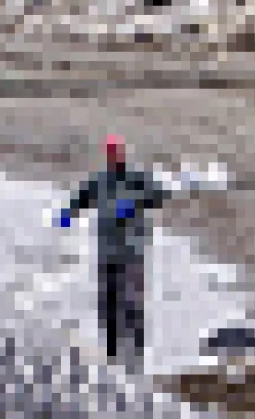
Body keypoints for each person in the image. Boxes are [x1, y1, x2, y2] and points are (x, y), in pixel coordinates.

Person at [57, 136, 171, 367]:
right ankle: (111, 353)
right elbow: (81, 198)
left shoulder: (138, 177)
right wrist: (68, 213)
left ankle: (137, 353)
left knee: (132, 302)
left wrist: (134, 202)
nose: (115, 156)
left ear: (124, 152)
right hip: (107, 250)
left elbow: (159, 194)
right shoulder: (100, 180)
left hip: (132, 250)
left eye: (118, 151)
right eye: (111, 153)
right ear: (108, 155)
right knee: (108, 302)